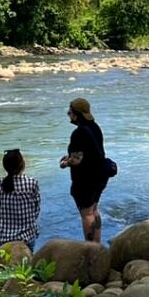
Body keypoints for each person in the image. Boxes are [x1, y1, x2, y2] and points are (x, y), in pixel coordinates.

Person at [60, 97, 108, 243]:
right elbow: (90, 152)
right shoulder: (95, 127)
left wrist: (64, 163)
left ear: (76, 114)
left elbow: (77, 160)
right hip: (100, 175)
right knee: (94, 210)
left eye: (70, 112)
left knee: (87, 213)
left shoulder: (79, 133)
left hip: (85, 179)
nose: (68, 114)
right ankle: (98, 245)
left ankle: (90, 247)